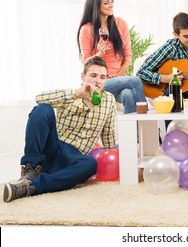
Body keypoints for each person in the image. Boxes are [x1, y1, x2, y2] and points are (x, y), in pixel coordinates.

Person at [3, 56, 117, 203]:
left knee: (90, 164)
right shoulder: (71, 95)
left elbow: (108, 135)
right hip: (54, 148)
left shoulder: (109, 100)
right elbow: (39, 98)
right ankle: (30, 170)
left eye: (103, 77)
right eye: (93, 75)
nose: (98, 80)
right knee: (42, 109)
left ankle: (30, 187)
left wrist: (114, 160)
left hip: (74, 158)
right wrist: (77, 94)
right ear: (83, 76)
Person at [77, 0, 147, 114]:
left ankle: (133, 133)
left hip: (119, 78)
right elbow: (86, 63)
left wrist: (120, 76)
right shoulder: (86, 29)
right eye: (106, 3)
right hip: (100, 81)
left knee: (127, 95)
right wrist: (99, 54)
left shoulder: (120, 24)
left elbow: (128, 56)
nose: (111, 6)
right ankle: (148, 123)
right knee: (135, 80)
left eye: (111, 2)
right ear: (95, 5)